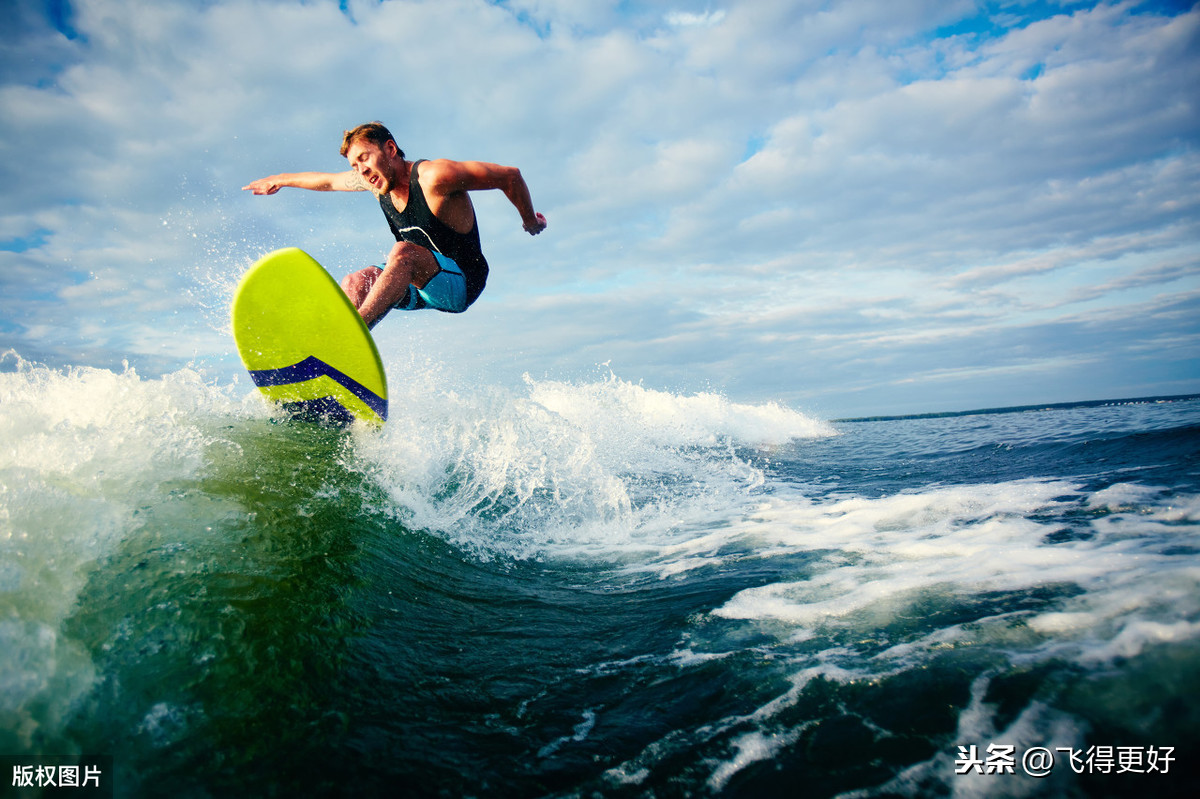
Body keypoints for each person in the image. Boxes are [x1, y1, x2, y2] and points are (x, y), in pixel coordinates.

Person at [242, 122, 546, 328]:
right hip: (419, 284)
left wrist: (529, 220)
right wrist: (279, 180)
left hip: (462, 284)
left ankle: (353, 336)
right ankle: (333, 353)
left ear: (389, 149)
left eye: (365, 157)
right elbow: (327, 181)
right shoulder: (373, 183)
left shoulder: (434, 177)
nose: (361, 170)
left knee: (403, 252)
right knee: (355, 281)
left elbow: (510, 176)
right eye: (354, 165)